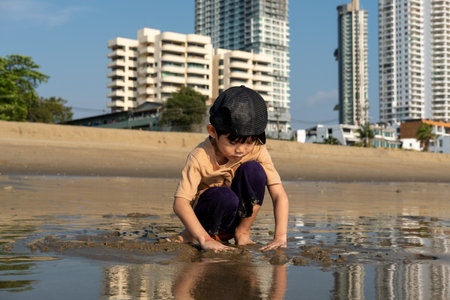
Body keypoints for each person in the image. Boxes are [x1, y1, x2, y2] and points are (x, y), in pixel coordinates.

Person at [172, 86, 289, 252]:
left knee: (254, 171)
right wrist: (204, 239)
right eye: (233, 142)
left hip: (234, 221)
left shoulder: (257, 150)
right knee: (223, 195)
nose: (241, 150)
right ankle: (191, 236)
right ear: (213, 132)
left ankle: (242, 233)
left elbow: (279, 195)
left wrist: (280, 237)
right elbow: (180, 203)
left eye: (249, 142)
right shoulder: (200, 156)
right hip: (207, 222)